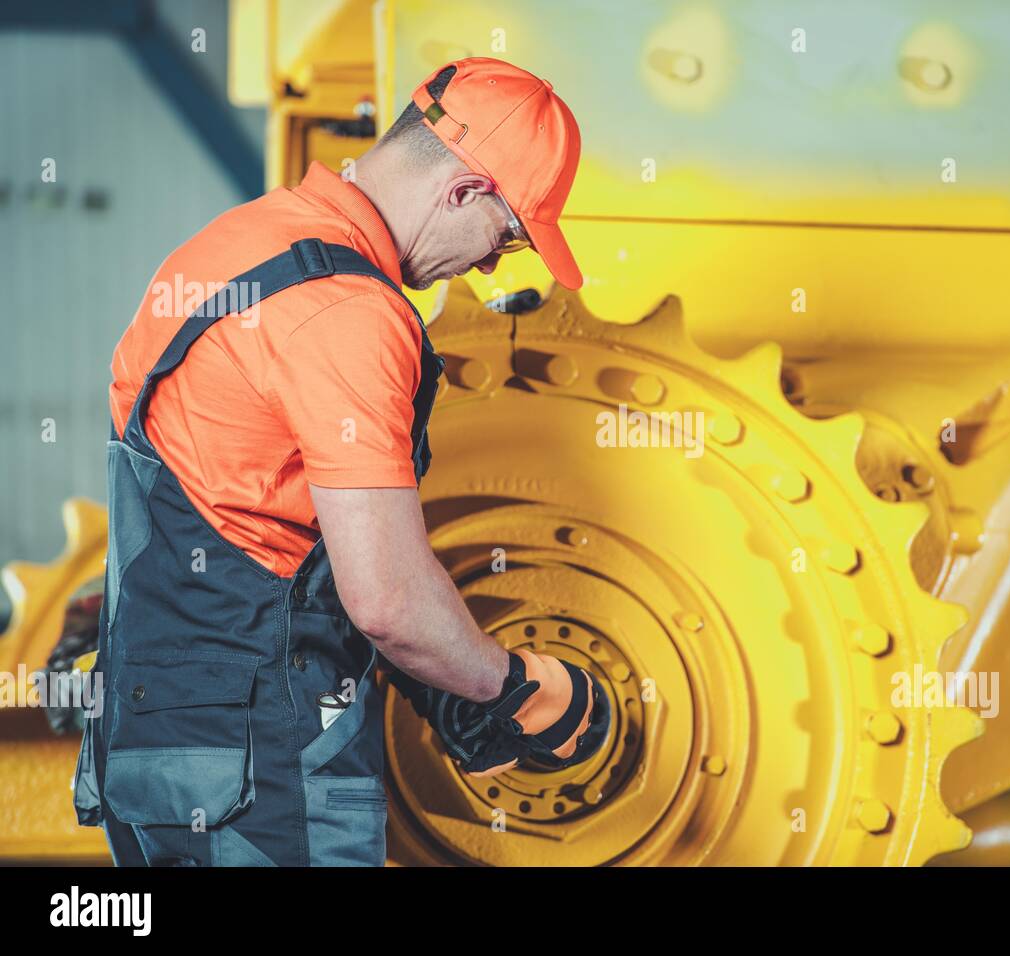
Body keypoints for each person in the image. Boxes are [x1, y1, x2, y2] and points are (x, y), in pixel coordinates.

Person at [70, 57, 607, 867]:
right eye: (506, 237)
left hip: (153, 745)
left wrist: (441, 688)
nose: (493, 265)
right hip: (264, 766)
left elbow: (258, 517)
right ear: (464, 190)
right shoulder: (351, 309)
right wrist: (508, 687)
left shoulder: (234, 246)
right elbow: (387, 598)